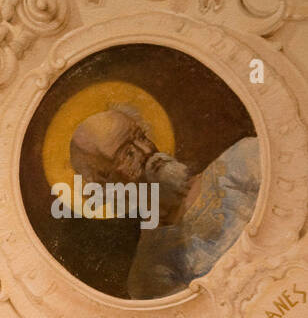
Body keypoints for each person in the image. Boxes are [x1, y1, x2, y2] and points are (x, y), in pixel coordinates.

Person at [69, 108, 260, 299]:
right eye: (128, 154)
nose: (147, 151)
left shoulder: (243, 159)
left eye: (142, 137)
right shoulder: (149, 274)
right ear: (105, 181)